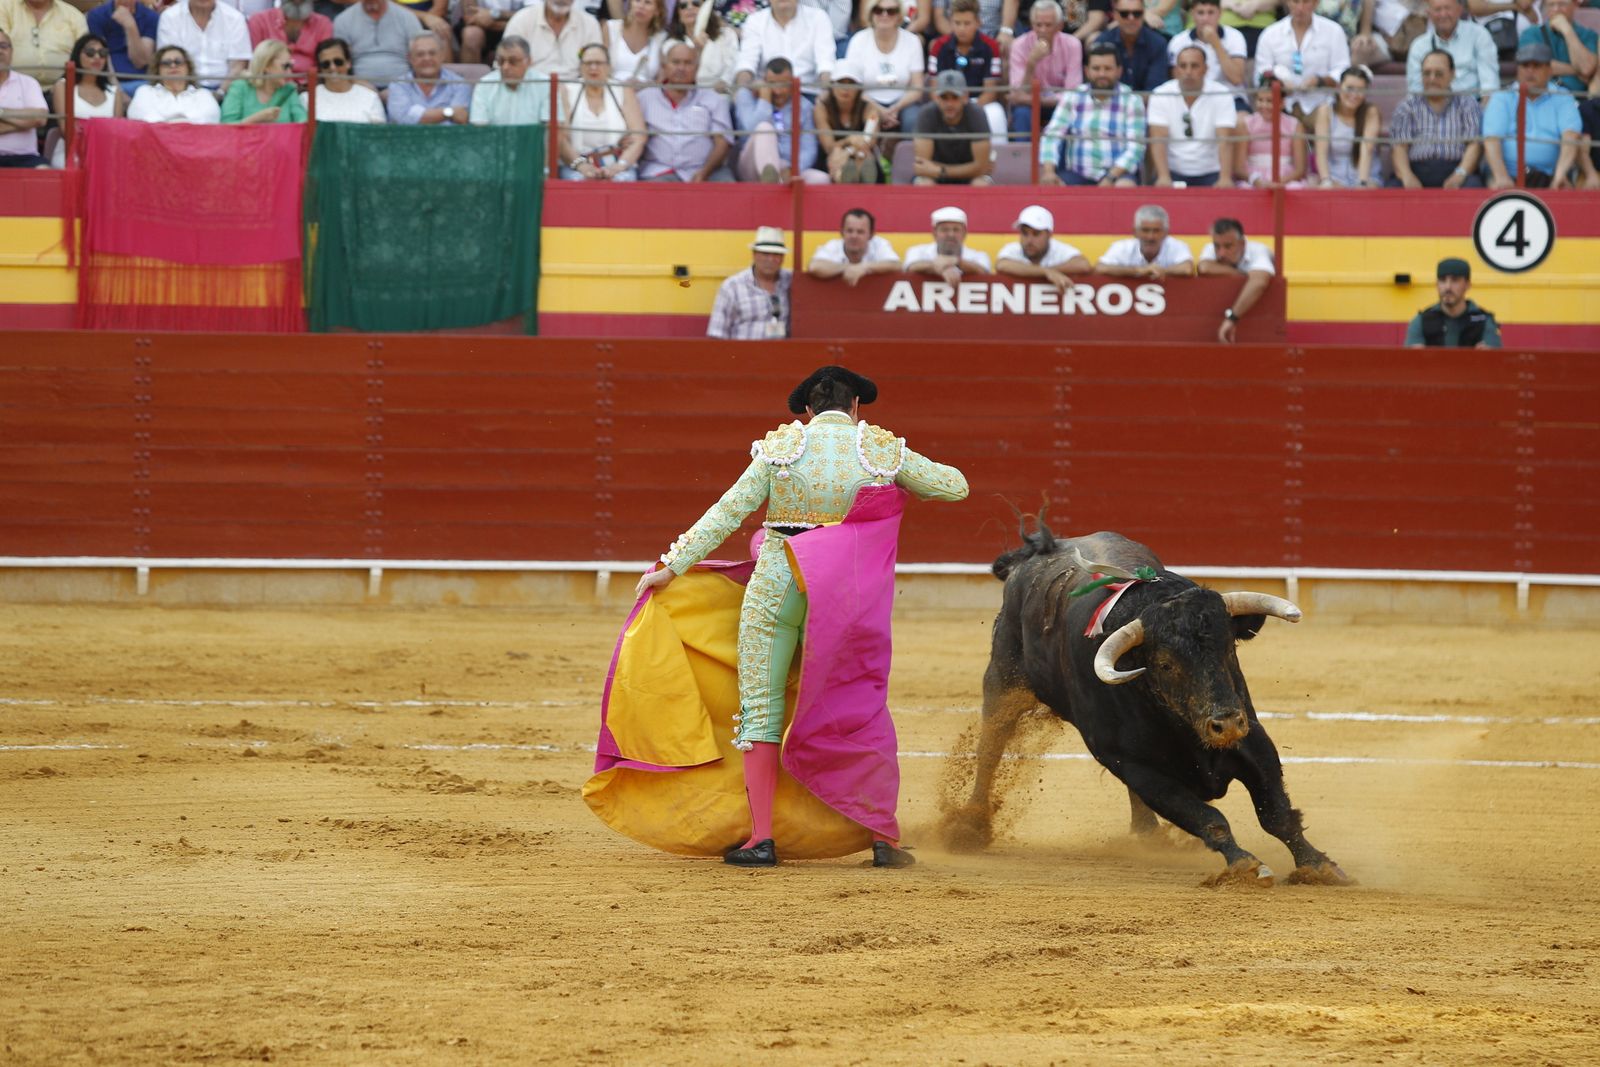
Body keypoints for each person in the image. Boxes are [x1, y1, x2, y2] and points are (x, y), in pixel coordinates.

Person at [630, 365, 968, 869]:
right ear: (857, 408)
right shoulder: (878, 450)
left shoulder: (781, 448)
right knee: (859, 700)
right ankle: (883, 840)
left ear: (807, 411)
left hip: (779, 580)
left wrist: (671, 566)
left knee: (760, 706)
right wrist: (895, 473)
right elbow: (954, 487)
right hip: (846, 591)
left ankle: (761, 839)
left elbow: (727, 512)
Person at [1038, 43, 1143, 186]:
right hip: (1078, 173)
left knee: (1125, 187)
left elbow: (1136, 147)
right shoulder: (1073, 96)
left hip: (1118, 174)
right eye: (1096, 68)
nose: (1102, 74)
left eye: (1108, 69)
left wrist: (1110, 177)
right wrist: (1049, 171)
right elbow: (1052, 135)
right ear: (1087, 71)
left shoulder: (1132, 99)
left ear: (1119, 71)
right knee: (1052, 185)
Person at [1483, 41, 1581, 188]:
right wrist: (1502, 177)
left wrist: (1559, 177)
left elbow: (1571, 136)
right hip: (1507, 175)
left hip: (1551, 176)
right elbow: (1492, 140)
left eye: (1537, 66)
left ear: (1549, 70)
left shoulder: (1563, 97)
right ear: (1517, 70)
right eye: (1525, 66)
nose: (1530, 71)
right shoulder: (1502, 97)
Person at [636, 40, 734, 181]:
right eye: (676, 62)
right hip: (660, 170)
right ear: (664, 67)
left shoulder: (714, 99)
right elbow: (631, 137)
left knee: (730, 192)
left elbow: (723, 142)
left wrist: (704, 172)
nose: (681, 68)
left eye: (688, 63)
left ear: (697, 68)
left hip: (706, 170)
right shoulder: (645, 98)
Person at [1387, 48, 1484, 186]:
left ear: (1452, 74)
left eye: (1439, 74)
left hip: (1457, 168)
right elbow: (1399, 148)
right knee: (1392, 189)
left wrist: (1459, 175)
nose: (1432, 79)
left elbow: (1474, 146)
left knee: (1473, 186)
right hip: (1416, 170)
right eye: (1427, 73)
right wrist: (1407, 176)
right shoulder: (1407, 106)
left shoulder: (1467, 104)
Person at [1147, 45, 1237, 187]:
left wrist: (1224, 178)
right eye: (1183, 66)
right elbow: (1158, 140)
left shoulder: (1222, 94)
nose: (1188, 72)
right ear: (1176, 70)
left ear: (1206, 69)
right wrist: (1164, 176)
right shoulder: (1160, 94)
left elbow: (1224, 140)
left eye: (1194, 66)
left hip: (1211, 172)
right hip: (1173, 171)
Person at [1254, 0, 1352, 126]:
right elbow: (1260, 74)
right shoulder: (1270, 34)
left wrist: (1320, 81)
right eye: (1295, 1)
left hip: (1321, 103)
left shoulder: (1334, 31)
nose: (1300, 7)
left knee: (1325, 115)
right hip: (1280, 106)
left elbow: (1343, 70)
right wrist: (1280, 83)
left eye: (1306, 2)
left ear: (1316, 3)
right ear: (1287, 2)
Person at [557, 42, 643, 178]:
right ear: (580, 67)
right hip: (576, 165)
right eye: (588, 63)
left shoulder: (623, 90)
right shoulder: (567, 90)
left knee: (623, 181)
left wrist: (619, 166)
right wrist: (582, 166)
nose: (593, 68)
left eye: (599, 63)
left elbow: (639, 137)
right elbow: (560, 138)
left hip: (618, 164)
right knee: (577, 182)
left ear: (608, 67)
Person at [735, 56, 827, 182]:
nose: (778, 91)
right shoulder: (746, 96)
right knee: (764, 128)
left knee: (821, 180)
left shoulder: (804, 106)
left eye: (783, 85)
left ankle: (778, 183)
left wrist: (792, 170)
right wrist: (765, 99)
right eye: (772, 84)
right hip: (751, 166)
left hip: (788, 167)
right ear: (764, 81)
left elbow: (809, 148)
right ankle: (775, 184)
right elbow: (751, 129)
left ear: (793, 82)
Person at [927, 0, 1005, 143]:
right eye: (957, 23)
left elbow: (991, 92)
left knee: (996, 113)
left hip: (979, 101)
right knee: (928, 113)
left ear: (978, 22)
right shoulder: (938, 47)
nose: (962, 28)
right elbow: (934, 89)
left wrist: (968, 109)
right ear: (951, 23)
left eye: (967, 23)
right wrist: (951, 105)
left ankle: (998, 161)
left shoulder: (990, 47)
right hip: (946, 101)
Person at [844, 0, 923, 134]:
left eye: (891, 11)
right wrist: (879, 110)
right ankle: (866, 154)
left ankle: (911, 155)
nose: (884, 15)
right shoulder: (858, 40)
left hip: (902, 102)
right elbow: (853, 87)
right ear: (871, 14)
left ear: (899, 16)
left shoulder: (912, 41)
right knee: (871, 120)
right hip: (867, 101)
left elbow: (917, 88)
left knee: (913, 120)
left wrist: (895, 108)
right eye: (878, 10)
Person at [50, 33, 126, 165]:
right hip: (71, 152)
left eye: (102, 53)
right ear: (77, 55)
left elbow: (116, 135)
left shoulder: (115, 92)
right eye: (90, 52)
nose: (97, 57)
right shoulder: (63, 86)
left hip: (104, 155)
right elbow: (65, 130)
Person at [1007, 0, 1081, 133]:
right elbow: (1018, 93)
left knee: (1072, 113)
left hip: (1059, 105)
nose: (1042, 30)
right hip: (1031, 106)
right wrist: (1031, 64)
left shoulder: (1073, 45)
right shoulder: (1019, 45)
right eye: (1038, 25)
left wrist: (1035, 99)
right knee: (1021, 113)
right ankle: (1025, 153)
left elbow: (1073, 95)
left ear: (1060, 26)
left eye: (1048, 25)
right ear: (1031, 25)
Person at [734, 0, 834, 98]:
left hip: (805, 91)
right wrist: (742, 92)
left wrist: (827, 94)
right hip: (766, 93)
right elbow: (746, 64)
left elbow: (825, 64)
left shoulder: (818, 18)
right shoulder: (755, 21)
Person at [708, 226, 792, 339]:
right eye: (765, 254)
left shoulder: (791, 282)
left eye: (776, 254)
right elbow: (717, 334)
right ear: (754, 254)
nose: (770, 259)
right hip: (741, 354)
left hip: (780, 354)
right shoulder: (732, 287)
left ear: (783, 257)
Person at [1199, 217, 1275, 343]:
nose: (1221, 253)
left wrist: (1232, 318)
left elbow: (1259, 282)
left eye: (1228, 246)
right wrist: (1242, 275)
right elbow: (1204, 268)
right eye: (1217, 246)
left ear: (1242, 243)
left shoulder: (1258, 251)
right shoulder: (1211, 248)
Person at [913, 68, 994, 185]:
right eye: (944, 97)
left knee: (980, 184)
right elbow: (922, 167)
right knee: (924, 183)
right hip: (937, 177)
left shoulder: (977, 114)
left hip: (969, 177)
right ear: (936, 97)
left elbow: (981, 168)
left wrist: (941, 171)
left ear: (965, 97)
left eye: (955, 97)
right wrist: (971, 168)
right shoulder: (926, 114)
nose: (949, 104)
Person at [1405, 256, 1501, 348]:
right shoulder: (1421, 321)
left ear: (1467, 285)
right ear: (1437, 284)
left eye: (1455, 280)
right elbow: (1410, 362)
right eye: (1442, 280)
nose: (1448, 287)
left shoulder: (1484, 321)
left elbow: (1494, 362)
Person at [1405, 0, 1497, 95]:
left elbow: (1490, 88)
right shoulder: (1419, 46)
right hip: (1432, 107)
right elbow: (1415, 92)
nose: (1443, 14)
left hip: (1474, 105)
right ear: (1429, 13)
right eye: (1438, 9)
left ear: (1459, 10)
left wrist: (1480, 109)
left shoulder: (1479, 35)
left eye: (1448, 8)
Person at [156, 0, 250, 91]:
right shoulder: (170, 17)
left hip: (226, 91)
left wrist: (220, 93)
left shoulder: (235, 18)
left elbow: (238, 66)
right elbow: (169, 63)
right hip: (184, 90)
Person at [815, 61, 884, 182]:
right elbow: (829, 147)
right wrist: (849, 140)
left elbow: (868, 142)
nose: (846, 89)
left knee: (862, 154)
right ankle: (846, 178)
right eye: (841, 82)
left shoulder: (869, 108)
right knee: (836, 154)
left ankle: (848, 179)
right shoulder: (822, 108)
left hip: (860, 154)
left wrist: (846, 152)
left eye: (851, 83)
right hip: (832, 159)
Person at [1311, 65, 1380, 186]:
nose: (1354, 94)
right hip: (1334, 176)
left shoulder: (1371, 112)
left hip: (1366, 176)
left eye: (1360, 90)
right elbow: (1321, 151)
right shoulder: (1325, 111)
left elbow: (1366, 149)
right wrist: (1326, 181)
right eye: (1350, 88)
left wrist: (1361, 183)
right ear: (1339, 87)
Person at [995, 203, 1090, 289]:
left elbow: (1083, 264)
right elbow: (1002, 265)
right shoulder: (1013, 248)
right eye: (1024, 233)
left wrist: (1048, 271)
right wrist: (1046, 272)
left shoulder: (1058, 248)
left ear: (1049, 235)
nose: (1029, 240)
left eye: (1036, 234)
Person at [1166, 0, 1247, 100]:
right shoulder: (1178, 41)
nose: (1205, 19)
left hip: (1231, 97)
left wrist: (1216, 44)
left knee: (1242, 116)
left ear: (1220, 13)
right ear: (1192, 14)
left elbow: (1236, 79)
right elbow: (1178, 81)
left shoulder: (1235, 36)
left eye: (1211, 12)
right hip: (1191, 99)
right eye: (1200, 13)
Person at [1236, 74, 1308, 187]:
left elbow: (1300, 169)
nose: (1264, 105)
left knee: (1295, 188)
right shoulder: (1247, 124)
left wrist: (1281, 181)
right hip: (1254, 177)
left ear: (1282, 103)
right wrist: (1256, 180)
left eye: (1269, 101)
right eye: (1260, 100)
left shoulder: (1294, 125)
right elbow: (1238, 168)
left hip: (1285, 178)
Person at [504, 0, 602, 80]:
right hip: (530, 88)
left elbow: (597, 65)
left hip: (576, 90)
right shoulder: (521, 20)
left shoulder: (589, 24)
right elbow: (507, 64)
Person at [386, 31, 471, 122]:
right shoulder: (399, 84)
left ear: (442, 56)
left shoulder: (460, 84)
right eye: (420, 54)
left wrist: (415, 114)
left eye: (432, 53)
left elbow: (460, 117)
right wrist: (448, 112)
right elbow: (401, 118)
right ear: (410, 58)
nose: (427, 58)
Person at [1, 0, 87, 87]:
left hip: (62, 89)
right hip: (10, 87)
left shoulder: (73, 15)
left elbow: (86, 55)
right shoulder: (4, 8)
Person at [332, 0, 418, 87]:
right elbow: (339, 64)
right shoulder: (343, 20)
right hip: (359, 87)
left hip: (404, 86)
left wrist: (398, 89)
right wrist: (358, 84)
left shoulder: (407, 17)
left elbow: (419, 56)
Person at [125, 42, 222, 120]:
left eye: (178, 62)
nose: (173, 66)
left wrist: (172, 125)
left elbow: (210, 118)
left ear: (188, 67)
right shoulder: (145, 92)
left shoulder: (203, 94)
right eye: (166, 63)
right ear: (158, 70)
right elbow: (140, 116)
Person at [1517, 0, 1596, 93]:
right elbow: (1534, 66)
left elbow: (1586, 68)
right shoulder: (1531, 33)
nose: (1556, 9)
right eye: (1551, 5)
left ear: (1574, 5)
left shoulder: (1588, 35)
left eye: (1562, 4)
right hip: (1540, 96)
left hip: (1578, 98)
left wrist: (1567, 31)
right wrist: (1576, 70)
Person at [1096, 204, 1195, 278]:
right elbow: (1100, 268)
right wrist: (1138, 270)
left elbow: (1187, 268)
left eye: (1156, 231)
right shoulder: (1122, 247)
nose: (1150, 237)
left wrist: (1157, 271)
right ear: (1135, 232)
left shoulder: (1176, 246)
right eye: (1145, 230)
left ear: (1166, 232)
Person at [807, 206, 900, 284]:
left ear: (871, 235)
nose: (854, 236)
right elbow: (814, 266)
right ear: (842, 232)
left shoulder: (879, 244)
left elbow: (896, 265)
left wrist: (864, 267)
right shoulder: (833, 246)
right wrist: (848, 267)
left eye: (860, 232)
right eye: (849, 231)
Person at [221, 37, 305, 120]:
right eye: (285, 66)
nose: (289, 73)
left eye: (291, 66)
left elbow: (303, 121)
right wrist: (257, 119)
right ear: (266, 66)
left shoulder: (289, 90)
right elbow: (226, 126)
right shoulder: (240, 88)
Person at [299, 36, 382, 121]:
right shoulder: (307, 98)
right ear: (320, 68)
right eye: (326, 64)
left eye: (338, 62)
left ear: (348, 63)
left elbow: (379, 132)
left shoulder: (370, 97)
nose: (332, 67)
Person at [904, 205, 992, 280]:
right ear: (934, 232)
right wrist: (941, 268)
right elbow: (912, 266)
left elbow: (983, 270)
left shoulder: (979, 255)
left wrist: (956, 261)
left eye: (956, 230)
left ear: (964, 233)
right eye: (945, 230)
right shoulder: (917, 251)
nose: (951, 234)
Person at [1093, 0, 1166, 92]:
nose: (1131, 18)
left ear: (1143, 14)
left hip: (1149, 104)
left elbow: (1155, 89)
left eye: (1137, 13)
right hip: (1112, 104)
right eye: (1124, 13)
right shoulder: (1103, 42)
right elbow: (1100, 86)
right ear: (1115, 15)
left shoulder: (1158, 43)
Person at [0, 28, 48, 166]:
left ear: (11, 51)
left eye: (3, 46)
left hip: (25, 157)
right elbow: (32, 119)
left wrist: (1, 112)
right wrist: (24, 124)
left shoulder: (28, 83)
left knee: (45, 172)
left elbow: (40, 118)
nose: (0, 51)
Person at [665, 0, 735, 92]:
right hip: (686, 97)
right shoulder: (670, 44)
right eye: (683, 6)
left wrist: (716, 90)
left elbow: (732, 68)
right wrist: (697, 50)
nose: (689, 8)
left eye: (696, 3)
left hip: (720, 95)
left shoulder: (726, 35)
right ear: (678, 14)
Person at [247, 0, 331, 76]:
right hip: (270, 86)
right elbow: (256, 64)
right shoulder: (259, 21)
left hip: (311, 86)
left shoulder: (323, 24)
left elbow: (326, 64)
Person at [85, 0, 157, 81]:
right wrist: (115, 87)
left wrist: (130, 26)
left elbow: (140, 62)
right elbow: (101, 56)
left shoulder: (150, 16)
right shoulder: (96, 15)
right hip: (109, 79)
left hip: (142, 80)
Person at [600, 0, 662, 84]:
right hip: (612, 90)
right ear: (630, 4)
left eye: (647, 2)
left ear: (657, 11)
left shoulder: (661, 38)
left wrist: (644, 86)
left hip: (647, 93)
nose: (641, 6)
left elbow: (662, 80)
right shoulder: (611, 27)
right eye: (637, 1)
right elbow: (600, 66)